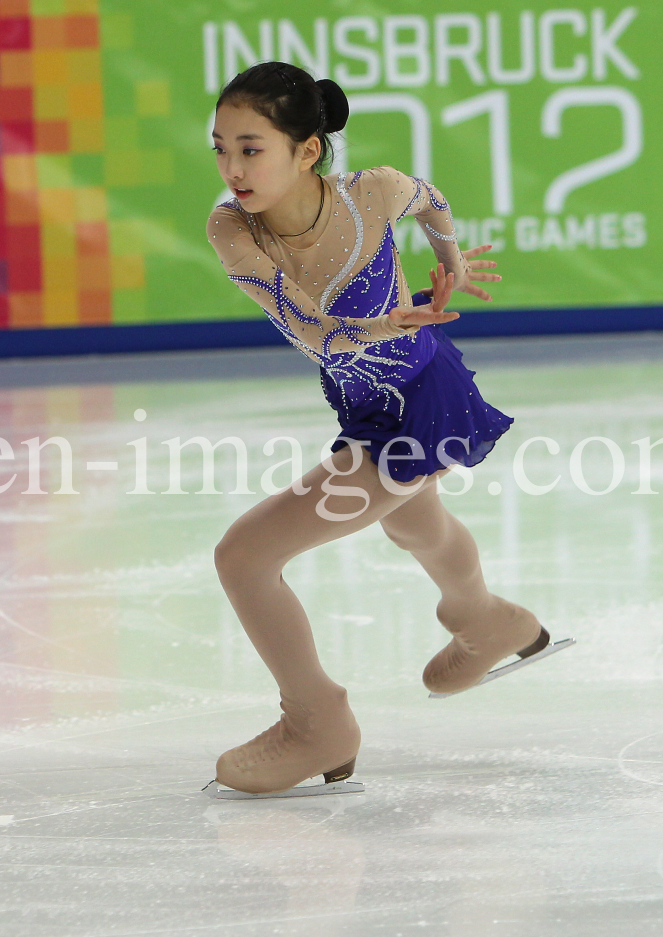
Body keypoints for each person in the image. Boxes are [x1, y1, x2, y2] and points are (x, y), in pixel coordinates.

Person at [206, 62, 549, 796]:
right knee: (413, 526)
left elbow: (430, 200)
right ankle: (486, 618)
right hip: (363, 399)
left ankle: (317, 721)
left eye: (251, 148)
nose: (232, 167)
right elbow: (309, 327)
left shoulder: (373, 192)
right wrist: (382, 322)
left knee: (244, 557)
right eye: (221, 148)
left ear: (307, 151)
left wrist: (450, 262)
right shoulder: (233, 228)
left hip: (419, 405)